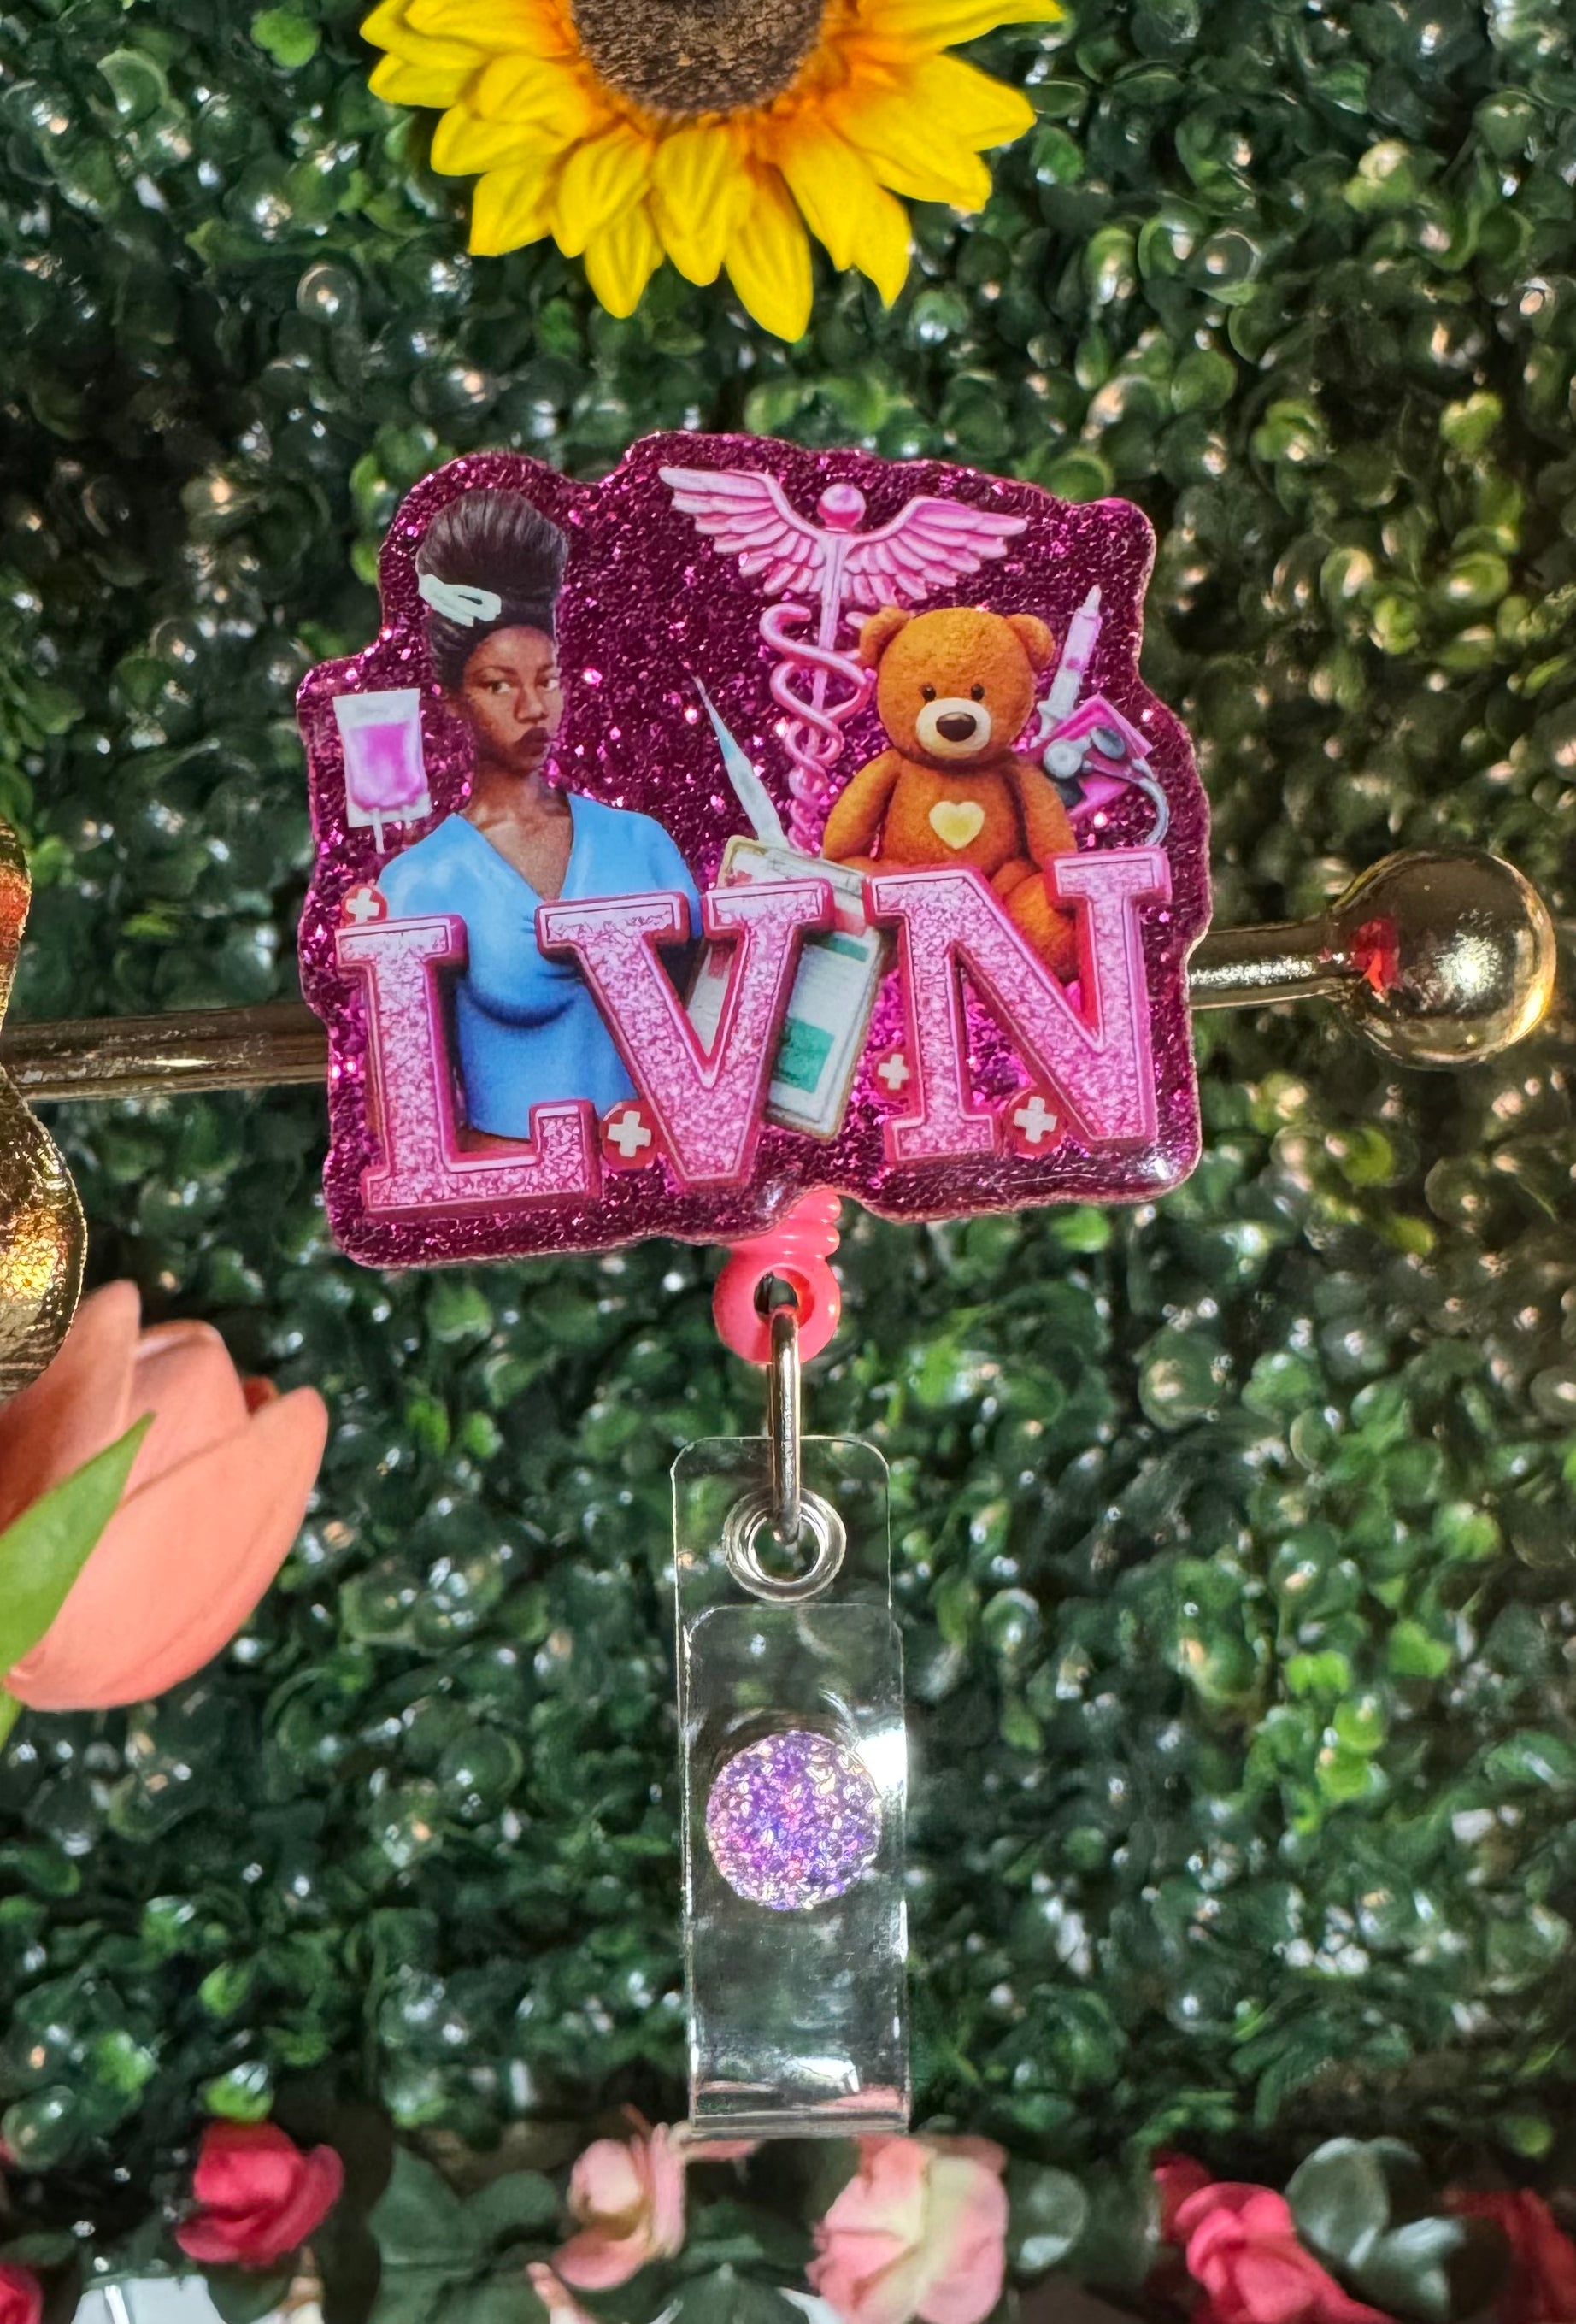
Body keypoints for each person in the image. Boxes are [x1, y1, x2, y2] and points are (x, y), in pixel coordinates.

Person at [378, 488, 700, 1142]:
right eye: (498, 684)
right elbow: (408, 1110)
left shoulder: (640, 843)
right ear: (453, 700)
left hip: (666, 1173)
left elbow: (730, 1017)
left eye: (547, 679)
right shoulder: (420, 882)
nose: (533, 708)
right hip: (512, 1182)